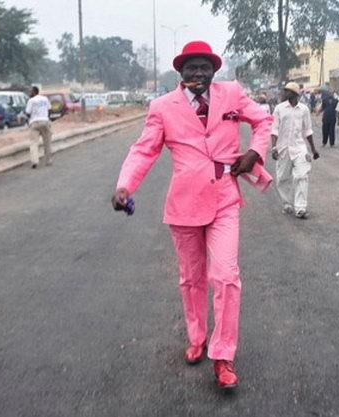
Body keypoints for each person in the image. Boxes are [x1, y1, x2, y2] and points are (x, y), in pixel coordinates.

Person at [112, 41, 273, 390]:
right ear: (180, 72)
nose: (198, 73)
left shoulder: (231, 93)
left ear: (214, 70)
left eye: (204, 67)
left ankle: (223, 354)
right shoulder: (162, 107)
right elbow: (144, 149)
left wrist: (255, 152)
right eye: (191, 68)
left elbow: (264, 121)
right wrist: (125, 186)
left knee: (226, 276)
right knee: (191, 278)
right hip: (183, 204)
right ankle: (197, 337)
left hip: (224, 199)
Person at [271, 82, 320, 219]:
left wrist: (313, 150)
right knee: (282, 178)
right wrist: (274, 147)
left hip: (299, 148)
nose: (284, 93)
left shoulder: (304, 109)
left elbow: (308, 131)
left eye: (287, 91)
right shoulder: (279, 109)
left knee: (301, 176)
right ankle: (287, 203)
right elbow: (274, 129)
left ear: (294, 94)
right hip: (283, 148)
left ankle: (300, 208)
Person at [25, 86, 53, 168]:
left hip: (34, 123)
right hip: (45, 121)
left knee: (33, 143)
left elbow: (28, 113)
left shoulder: (31, 100)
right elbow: (49, 110)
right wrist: (47, 119)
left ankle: (35, 161)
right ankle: (48, 160)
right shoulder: (45, 99)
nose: (29, 93)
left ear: (34, 92)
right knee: (47, 142)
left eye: (30, 91)